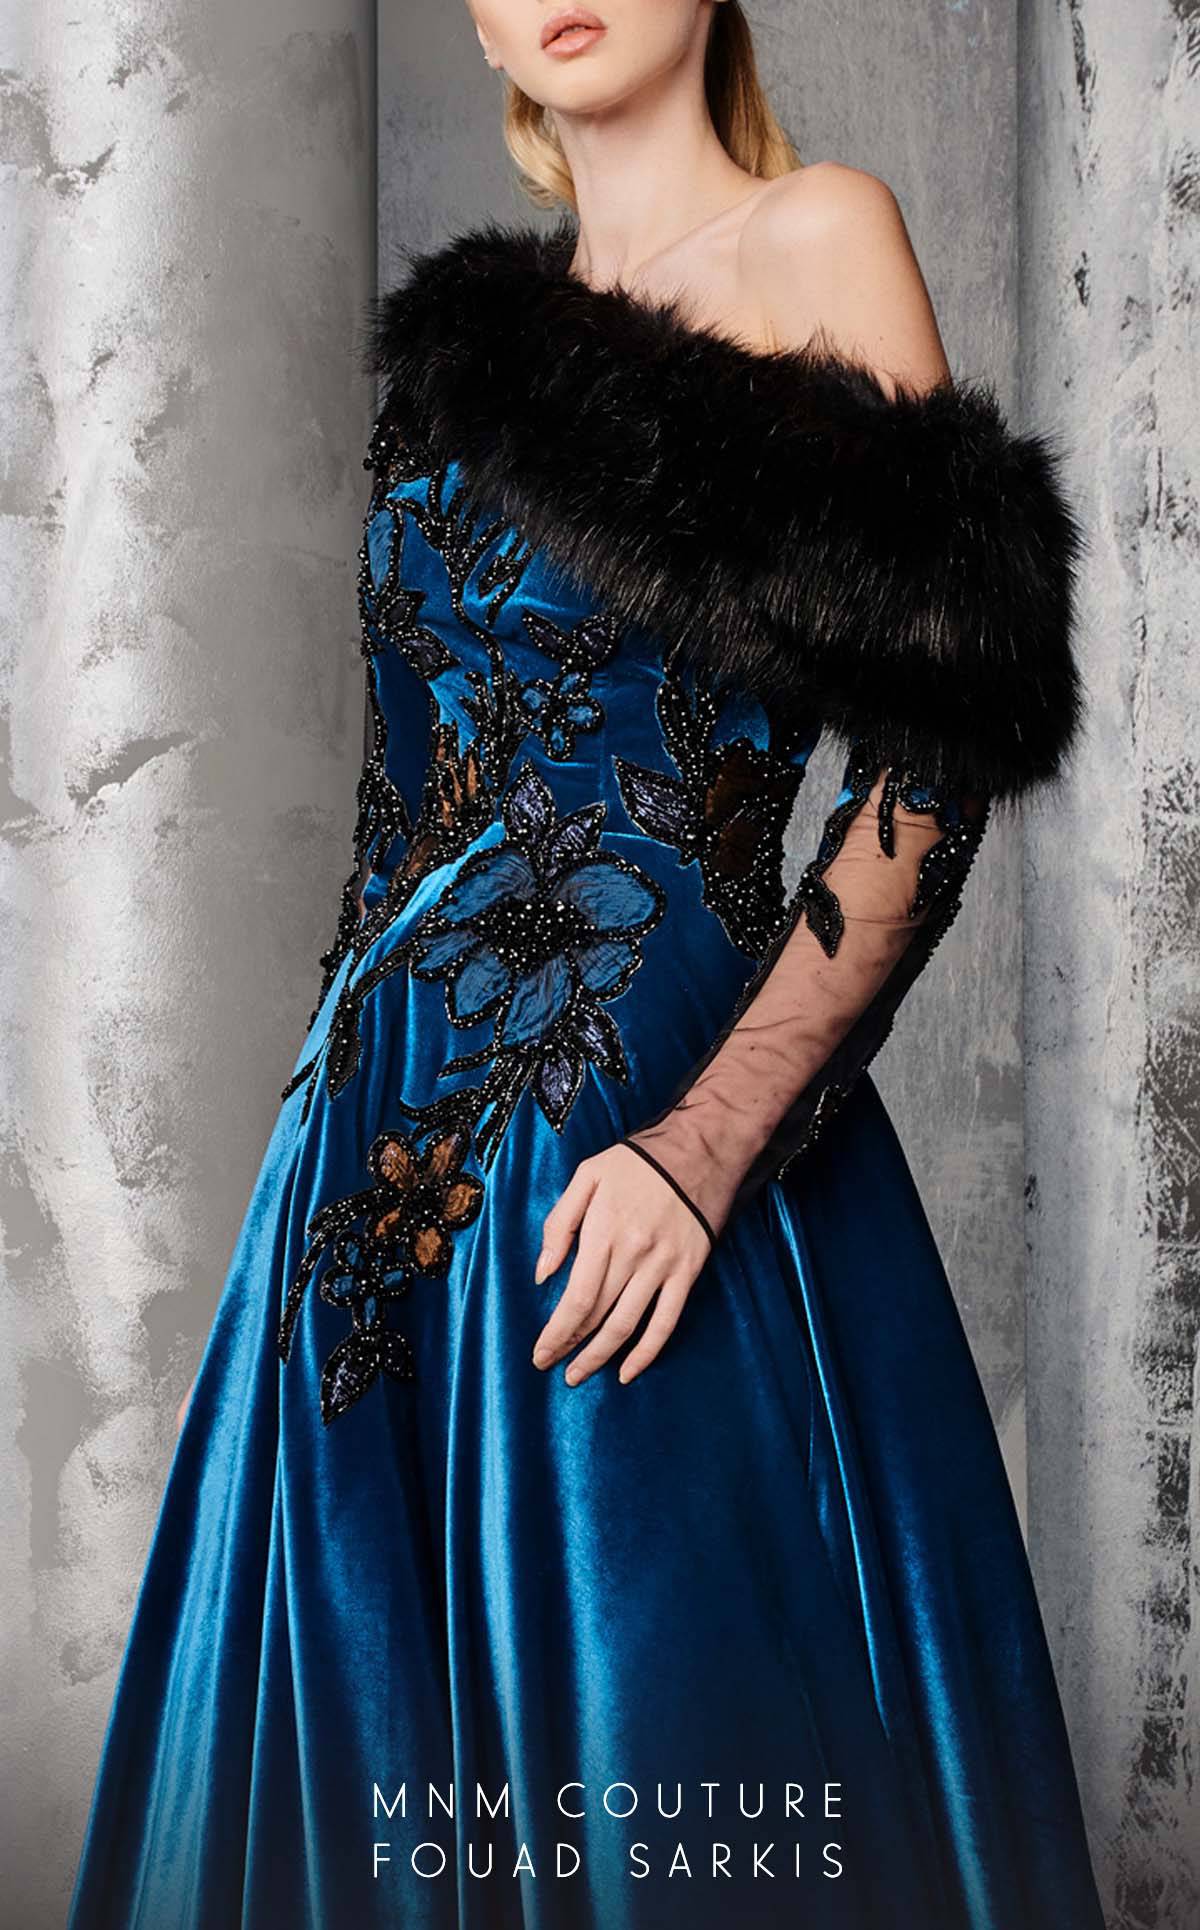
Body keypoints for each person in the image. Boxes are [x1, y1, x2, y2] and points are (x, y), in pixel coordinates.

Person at [67, 3, 1106, 1926]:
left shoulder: (817, 237)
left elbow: (933, 775)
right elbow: (397, 819)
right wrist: (307, 1181)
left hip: (647, 1141)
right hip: (371, 1195)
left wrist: (701, 1156)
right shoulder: (466, 348)